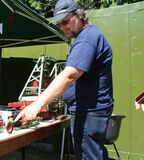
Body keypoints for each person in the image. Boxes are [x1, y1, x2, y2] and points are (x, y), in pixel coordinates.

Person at [14, 0, 114, 159]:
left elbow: (70, 75)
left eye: (65, 22)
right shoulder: (88, 35)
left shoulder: (86, 39)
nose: (62, 27)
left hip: (89, 111)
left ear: (79, 15)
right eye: (59, 24)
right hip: (89, 110)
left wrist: (38, 104)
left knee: (89, 156)